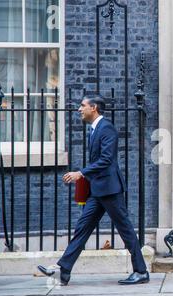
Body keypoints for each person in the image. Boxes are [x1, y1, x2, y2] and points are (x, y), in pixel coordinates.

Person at [37, 94, 149, 286]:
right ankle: (64, 270)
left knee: (125, 230)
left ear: (94, 107)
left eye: (83, 105)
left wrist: (81, 173)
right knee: (82, 228)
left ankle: (141, 271)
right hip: (97, 191)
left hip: (110, 190)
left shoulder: (107, 129)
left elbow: (106, 160)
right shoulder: (95, 129)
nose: (79, 109)